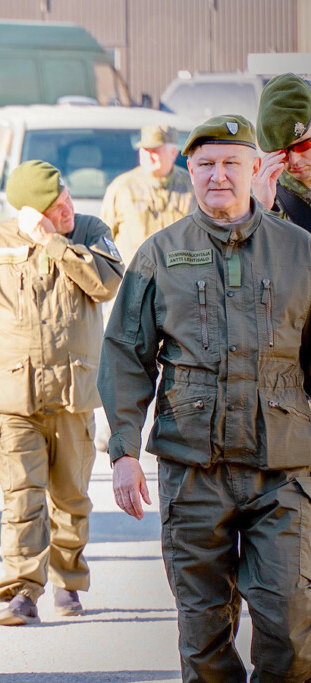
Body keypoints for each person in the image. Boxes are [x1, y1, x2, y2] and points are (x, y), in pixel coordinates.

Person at [99, 115, 311, 681]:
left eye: (231, 163)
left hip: (284, 470)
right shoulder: (159, 253)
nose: (218, 175)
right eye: (206, 164)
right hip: (194, 472)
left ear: (253, 169)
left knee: (290, 627)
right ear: (189, 171)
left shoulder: (300, 252)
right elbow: (125, 354)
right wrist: (124, 451)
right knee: (203, 633)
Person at [0, 160, 124, 625]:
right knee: (22, 499)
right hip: (16, 400)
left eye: (66, 199)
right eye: (55, 207)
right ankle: (22, 592)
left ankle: (69, 580)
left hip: (73, 396)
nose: (68, 208)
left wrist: (55, 242)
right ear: (29, 211)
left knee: (71, 500)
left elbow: (107, 284)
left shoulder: (90, 231)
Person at [100, 124, 193, 265]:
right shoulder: (122, 188)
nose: (149, 156)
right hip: (135, 279)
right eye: (145, 150)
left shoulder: (192, 187)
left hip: (179, 280)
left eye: (155, 150)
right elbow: (104, 239)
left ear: (173, 152)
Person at [252, 73, 311, 231]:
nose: (294, 159)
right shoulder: (267, 201)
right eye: (282, 150)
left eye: (303, 145)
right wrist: (264, 208)